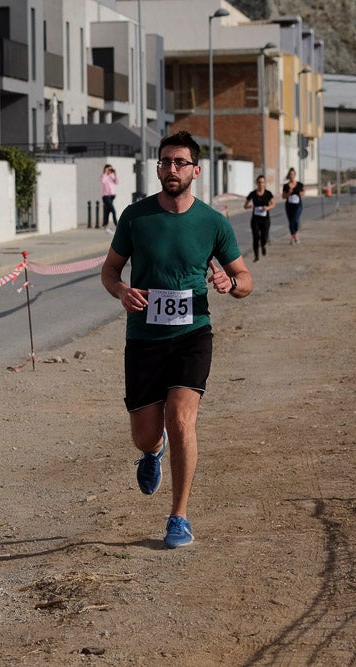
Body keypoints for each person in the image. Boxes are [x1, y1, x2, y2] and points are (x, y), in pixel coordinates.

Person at [100, 131, 253, 549]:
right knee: (145, 432)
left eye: (180, 162)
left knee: (182, 419)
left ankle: (179, 516)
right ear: (158, 168)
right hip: (144, 338)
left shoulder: (212, 222)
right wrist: (121, 291)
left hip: (192, 334)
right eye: (165, 162)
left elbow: (245, 280)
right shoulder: (135, 217)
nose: (171, 169)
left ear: (196, 170)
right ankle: (152, 453)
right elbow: (110, 271)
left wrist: (229, 281)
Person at [244, 175, 275, 262]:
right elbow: (245, 206)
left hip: (265, 219)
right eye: (259, 182)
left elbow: (273, 204)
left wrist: (268, 208)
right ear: (256, 183)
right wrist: (250, 206)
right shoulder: (253, 193)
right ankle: (256, 256)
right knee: (256, 237)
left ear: (265, 183)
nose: (261, 184)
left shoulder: (268, 193)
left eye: (262, 182)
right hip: (255, 220)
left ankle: (263, 245)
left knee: (264, 237)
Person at [282, 168, 304, 244]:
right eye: (290, 174)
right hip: (289, 205)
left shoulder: (299, 184)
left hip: (298, 205)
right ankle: (294, 236)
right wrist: (289, 193)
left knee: (296, 220)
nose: (291, 176)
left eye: (293, 174)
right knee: (291, 222)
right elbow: (283, 196)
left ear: (295, 175)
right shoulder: (286, 186)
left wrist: (301, 193)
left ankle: (294, 236)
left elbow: (303, 192)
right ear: (289, 175)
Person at [101, 163, 119, 231]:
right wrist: (106, 173)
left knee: (107, 211)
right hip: (106, 196)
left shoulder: (112, 176)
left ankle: (105, 225)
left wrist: (114, 174)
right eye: (109, 169)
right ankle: (117, 225)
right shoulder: (103, 176)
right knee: (113, 211)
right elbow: (103, 181)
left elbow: (117, 182)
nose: (110, 170)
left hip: (112, 196)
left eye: (110, 169)